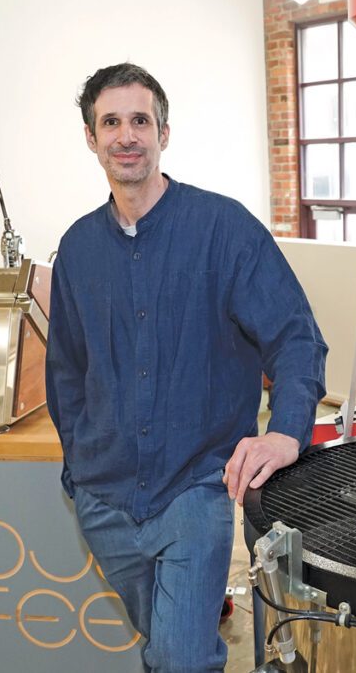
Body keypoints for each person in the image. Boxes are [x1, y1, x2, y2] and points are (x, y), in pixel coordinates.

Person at [46, 62, 327, 672]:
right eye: (111, 122)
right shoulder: (76, 249)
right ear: (91, 139)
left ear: (163, 133)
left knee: (176, 657)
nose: (127, 135)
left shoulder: (224, 230)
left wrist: (286, 430)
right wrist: (79, 464)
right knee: (169, 639)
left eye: (140, 120)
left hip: (195, 482)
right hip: (104, 496)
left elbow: (297, 337)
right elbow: (67, 370)